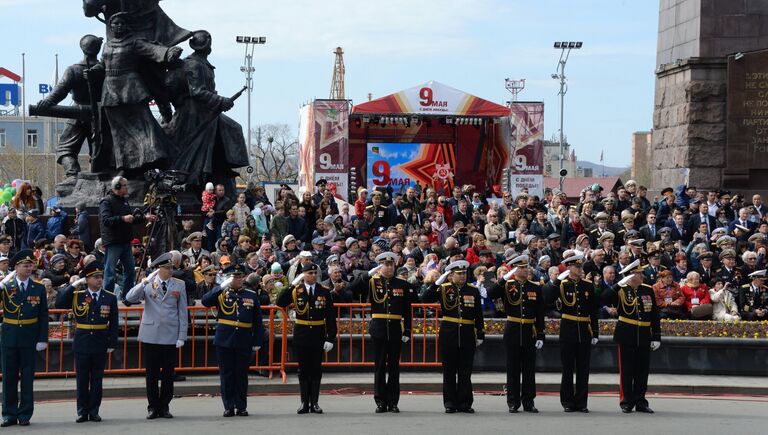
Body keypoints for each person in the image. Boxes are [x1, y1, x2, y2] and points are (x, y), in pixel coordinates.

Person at [348, 252, 416, 413]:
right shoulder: (372, 282)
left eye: (392, 264)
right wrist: (367, 274)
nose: (390, 267)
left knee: (394, 366)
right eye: (386, 265)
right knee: (379, 366)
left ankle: (393, 401)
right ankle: (380, 400)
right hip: (378, 328)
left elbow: (407, 310)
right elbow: (352, 288)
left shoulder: (402, 284)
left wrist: (407, 329)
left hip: (395, 329)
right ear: (380, 266)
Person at [125, 253, 188, 419]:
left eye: (171, 268)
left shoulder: (179, 285)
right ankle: (152, 406)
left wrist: (182, 335)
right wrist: (144, 281)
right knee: (151, 374)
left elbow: (183, 312)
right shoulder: (148, 284)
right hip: (151, 334)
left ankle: (165, 406)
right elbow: (129, 297)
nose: (169, 271)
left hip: (170, 333)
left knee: (168, 374)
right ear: (158, 269)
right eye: (166, 268)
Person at [54, 262, 118, 422]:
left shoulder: (109, 297)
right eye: (95, 277)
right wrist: (73, 285)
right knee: (82, 379)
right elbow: (59, 303)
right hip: (82, 341)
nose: (99, 280)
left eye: (100, 277)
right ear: (87, 279)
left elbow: (114, 323)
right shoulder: (78, 295)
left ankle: (94, 410)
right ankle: (82, 411)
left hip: (100, 340)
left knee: (97, 379)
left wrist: (112, 343)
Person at [201, 263, 264, 417]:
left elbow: (257, 321)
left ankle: (241, 406)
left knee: (241, 374)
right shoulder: (221, 292)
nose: (238, 279)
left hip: (243, 339)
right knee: (226, 374)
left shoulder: (251, 294)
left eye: (240, 276)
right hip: (224, 339)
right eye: (234, 276)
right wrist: (221, 287)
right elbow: (205, 301)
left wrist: (257, 341)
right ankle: (229, 406)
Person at [422, 260, 485, 414]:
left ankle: (465, 403)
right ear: (451, 275)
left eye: (464, 273)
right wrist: (437, 282)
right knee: (449, 371)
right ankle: (450, 402)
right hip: (449, 333)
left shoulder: (473, 290)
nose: (463, 276)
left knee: (465, 371)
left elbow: (478, 314)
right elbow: (425, 298)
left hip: (467, 334)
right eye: (459, 273)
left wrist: (480, 332)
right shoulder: (443, 289)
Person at [487, 255, 545, 413]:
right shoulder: (507, 285)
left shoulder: (535, 287)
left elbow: (540, 313)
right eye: (522, 267)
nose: (526, 270)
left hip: (529, 331)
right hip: (512, 329)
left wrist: (541, 334)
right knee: (512, 368)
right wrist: (504, 278)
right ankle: (513, 401)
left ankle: (529, 401)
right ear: (514, 269)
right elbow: (490, 293)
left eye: (526, 267)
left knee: (529, 369)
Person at [277, 263, 337, 414]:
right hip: (302, 334)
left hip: (317, 334)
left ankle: (315, 403)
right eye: (309, 273)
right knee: (303, 370)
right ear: (303, 274)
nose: (312, 275)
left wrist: (330, 337)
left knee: (316, 369)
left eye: (314, 273)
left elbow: (330, 316)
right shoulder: (296, 290)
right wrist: (292, 285)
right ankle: (304, 402)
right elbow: (280, 302)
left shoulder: (324, 291)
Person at [0, 250, 49, 427]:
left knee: (27, 378)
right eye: (25, 265)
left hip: (29, 337)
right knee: (9, 377)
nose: (29, 268)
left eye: (31, 265)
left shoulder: (38, 287)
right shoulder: (6, 285)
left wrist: (42, 338)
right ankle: (9, 414)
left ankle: (25, 414)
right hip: (10, 337)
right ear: (16, 268)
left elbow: (43, 315)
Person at [613, 260, 661, 414]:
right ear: (631, 276)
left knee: (642, 371)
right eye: (639, 274)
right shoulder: (621, 289)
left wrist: (656, 336)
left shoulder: (647, 290)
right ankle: (626, 401)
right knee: (627, 371)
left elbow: (654, 315)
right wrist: (618, 284)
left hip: (644, 335)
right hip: (627, 334)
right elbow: (603, 299)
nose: (642, 276)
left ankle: (641, 401)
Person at [99, 176, 155, 302]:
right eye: (124, 185)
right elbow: (106, 220)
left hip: (125, 241)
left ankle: (128, 297)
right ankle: (106, 299)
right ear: (117, 187)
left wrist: (145, 218)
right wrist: (122, 218)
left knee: (130, 271)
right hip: (113, 242)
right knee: (110, 272)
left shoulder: (124, 201)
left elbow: (131, 219)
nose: (127, 187)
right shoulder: (106, 201)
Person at [557, 254, 599, 413]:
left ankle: (581, 402)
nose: (580, 269)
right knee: (567, 368)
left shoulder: (587, 285)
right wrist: (556, 281)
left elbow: (593, 311)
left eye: (580, 266)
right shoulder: (562, 285)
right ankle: (567, 401)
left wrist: (595, 332)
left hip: (584, 329)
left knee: (583, 368)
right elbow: (548, 297)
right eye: (576, 266)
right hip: (568, 329)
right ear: (569, 268)